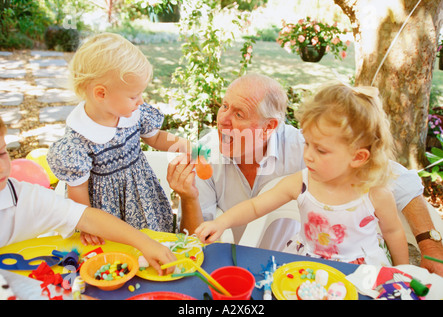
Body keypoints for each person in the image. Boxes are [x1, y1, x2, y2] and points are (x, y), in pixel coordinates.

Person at [167, 73, 443, 275]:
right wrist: (191, 200)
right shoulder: (206, 151)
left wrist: (426, 247)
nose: (223, 120)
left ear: (269, 127)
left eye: (239, 114)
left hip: (352, 271)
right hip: (276, 268)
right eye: (224, 106)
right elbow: (198, 235)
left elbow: (400, 183)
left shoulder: (316, 148)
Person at [47, 33, 190, 244]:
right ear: (101, 94)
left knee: (152, 240)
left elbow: (156, 138)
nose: (140, 100)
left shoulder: (132, 113)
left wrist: (183, 144)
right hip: (106, 211)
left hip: (143, 198)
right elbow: (78, 190)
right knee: (116, 252)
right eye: (133, 96)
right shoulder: (79, 140)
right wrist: (87, 223)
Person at [0, 116, 176, 275]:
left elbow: (86, 217)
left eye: (2, 153)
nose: (1, 167)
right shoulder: (76, 141)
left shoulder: (25, 196)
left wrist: (146, 243)